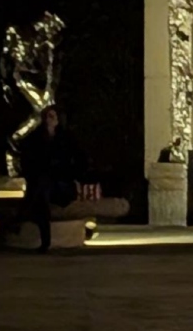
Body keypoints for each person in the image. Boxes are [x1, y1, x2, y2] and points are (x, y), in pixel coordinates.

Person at [12, 105, 126, 250]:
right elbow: (29, 162)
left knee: (42, 192)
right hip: (41, 182)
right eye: (48, 116)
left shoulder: (66, 139)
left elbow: (77, 162)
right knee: (41, 191)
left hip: (60, 185)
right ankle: (43, 238)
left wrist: (68, 173)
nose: (50, 120)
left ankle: (25, 221)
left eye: (53, 116)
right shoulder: (35, 139)